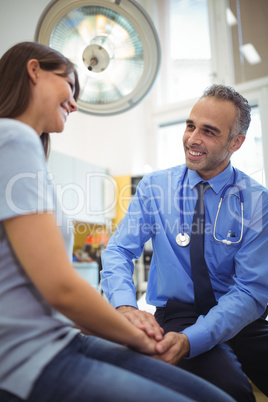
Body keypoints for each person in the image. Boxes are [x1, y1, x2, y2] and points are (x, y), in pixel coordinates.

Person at [0, 42, 236, 402]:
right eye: (70, 85)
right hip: (30, 353)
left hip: (63, 334)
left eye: (210, 131)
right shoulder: (14, 139)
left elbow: (31, 287)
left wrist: (110, 327)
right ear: (34, 71)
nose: (76, 103)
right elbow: (62, 286)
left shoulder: (24, 149)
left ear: (236, 143)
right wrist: (132, 325)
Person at [101, 84, 268, 402]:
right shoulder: (155, 187)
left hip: (241, 317)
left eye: (209, 131)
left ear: (236, 142)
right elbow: (120, 249)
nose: (193, 139)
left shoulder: (257, 201)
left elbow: (250, 291)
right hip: (180, 314)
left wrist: (196, 339)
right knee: (230, 391)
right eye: (191, 125)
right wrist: (124, 304)